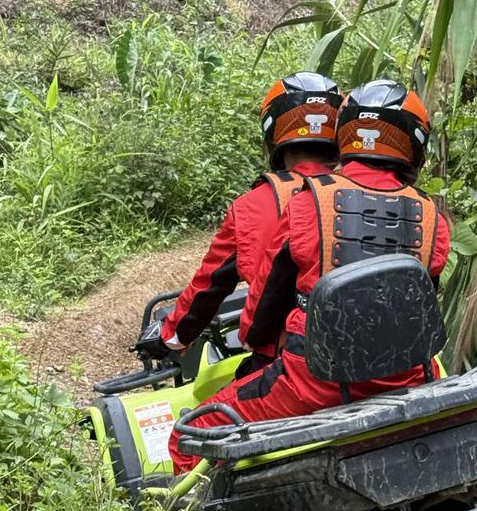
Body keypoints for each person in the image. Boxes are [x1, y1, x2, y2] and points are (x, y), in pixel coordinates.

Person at [168, 79, 451, 473]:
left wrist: (257, 344)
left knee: (191, 433)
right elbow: (423, 307)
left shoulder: (310, 200)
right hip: (408, 377)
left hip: (314, 381)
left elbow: (268, 292)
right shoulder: (433, 217)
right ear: (414, 145)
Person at [136, 73, 342, 368]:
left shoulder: (251, 207)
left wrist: (172, 336)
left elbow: (208, 289)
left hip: (287, 365)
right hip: (370, 355)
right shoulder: (364, 193)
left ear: (274, 136)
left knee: (207, 413)